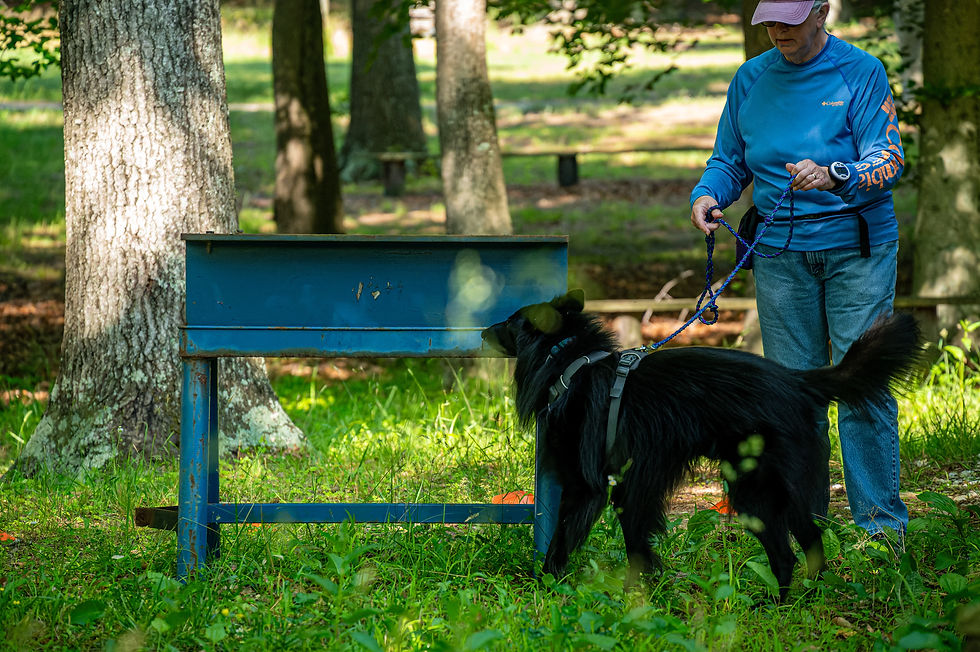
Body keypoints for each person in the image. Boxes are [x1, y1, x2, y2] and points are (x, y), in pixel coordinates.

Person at [689, 0, 908, 539]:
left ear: (821, 12)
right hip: (780, 255)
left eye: (789, 20)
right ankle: (804, 532)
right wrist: (708, 194)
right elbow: (729, 160)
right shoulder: (750, 78)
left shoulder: (861, 71)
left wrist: (837, 173)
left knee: (861, 384)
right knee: (791, 393)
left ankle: (881, 532)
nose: (777, 30)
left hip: (857, 250)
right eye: (769, 21)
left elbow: (889, 160)